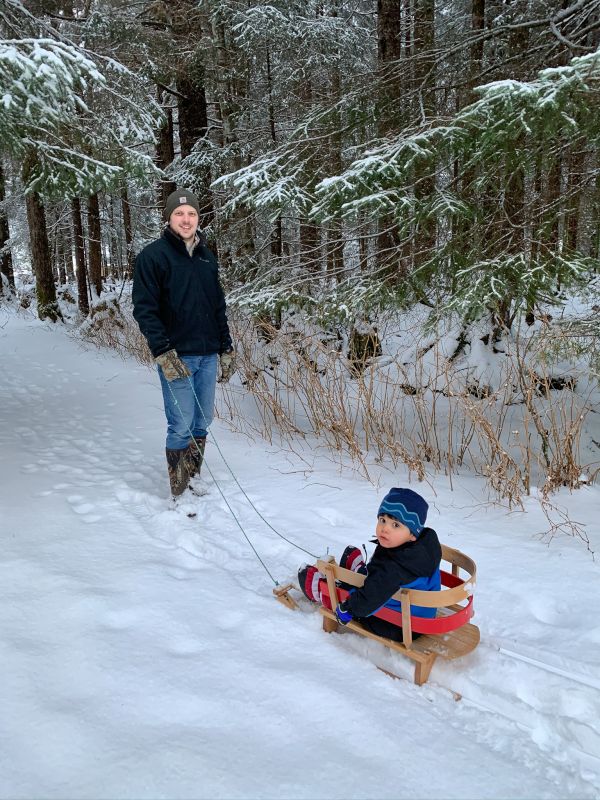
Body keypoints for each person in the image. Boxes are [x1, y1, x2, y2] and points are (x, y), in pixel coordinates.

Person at [132, 189, 235, 498]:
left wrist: (225, 346)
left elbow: (218, 306)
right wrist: (163, 351)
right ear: (169, 218)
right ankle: (179, 490)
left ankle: (194, 478)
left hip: (207, 355)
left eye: (191, 213)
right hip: (176, 356)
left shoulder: (206, 257)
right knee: (181, 424)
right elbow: (145, 309)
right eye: (179, 214)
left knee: (203, 420)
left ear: (198, 218)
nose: (186, 219)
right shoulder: (153, 257)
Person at [298, 487, 441, 642]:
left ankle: (323, 592)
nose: (385, 528)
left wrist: (348, 608)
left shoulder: (393, 568)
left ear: (413, 533)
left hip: (397, 625)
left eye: (396, 525)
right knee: (376, 583)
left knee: (358, 597)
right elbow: (382, 582)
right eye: (383, 520)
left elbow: (370, 599)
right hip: (420, 615)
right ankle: (362, 574)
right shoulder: (422, 547)